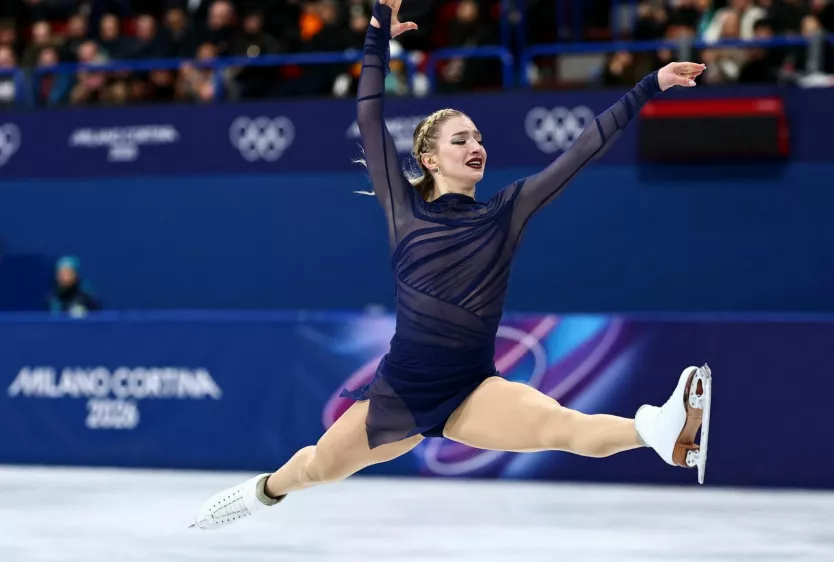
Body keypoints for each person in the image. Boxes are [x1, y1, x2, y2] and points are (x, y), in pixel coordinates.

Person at [191, 0, 711, 530]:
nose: (476, 146)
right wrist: (377, 37)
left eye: (479, 138)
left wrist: (652, 84)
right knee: (321, 466)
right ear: (430, 159)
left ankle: (660, 430)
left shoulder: (507, 211)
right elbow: (369, 114)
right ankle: (264, 490)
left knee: (563, 428)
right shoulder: (403, 208)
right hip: (401, 392)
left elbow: (582, 150)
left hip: (470, 388)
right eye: (460, 139)